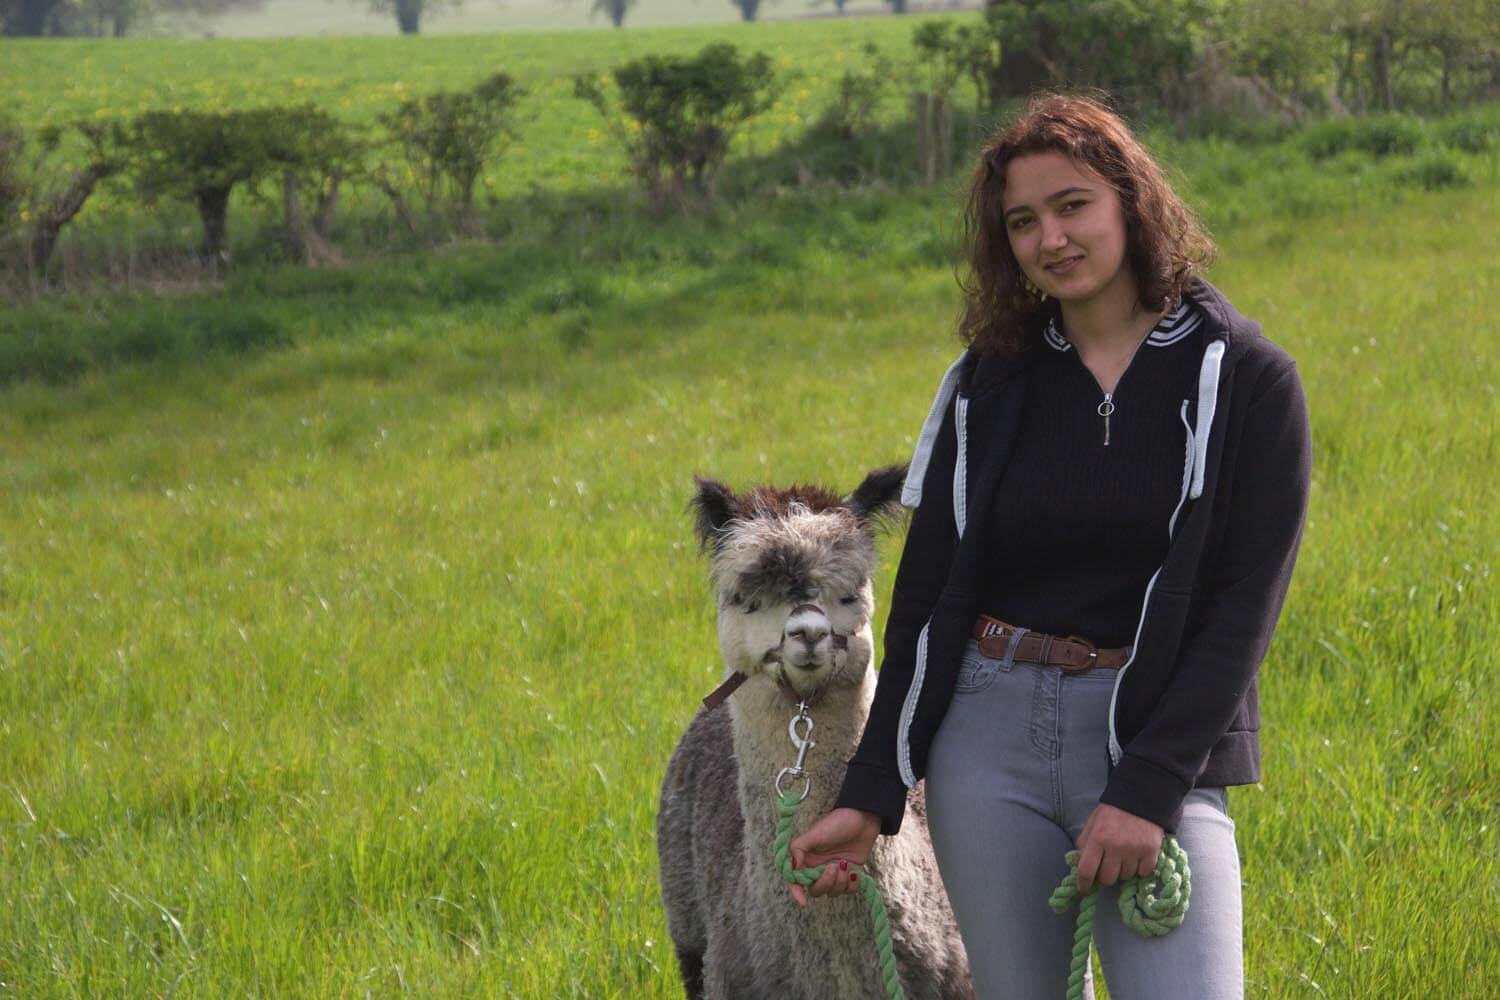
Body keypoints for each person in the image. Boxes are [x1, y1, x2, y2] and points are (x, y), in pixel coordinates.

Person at [786, 92, 1312, 999]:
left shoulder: (1248, 380)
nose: (1051, 238)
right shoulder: (988, 384)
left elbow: (1242, 612)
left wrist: (1147, 791)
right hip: (988, 746)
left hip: (1153, 741)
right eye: (1022, 221)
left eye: (1073, 205)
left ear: (1129, 200)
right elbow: (927, 598)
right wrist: (871, 793)